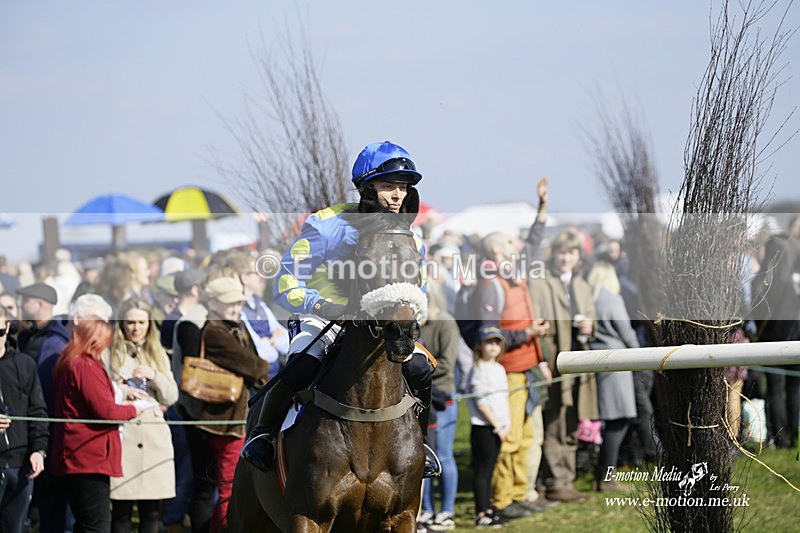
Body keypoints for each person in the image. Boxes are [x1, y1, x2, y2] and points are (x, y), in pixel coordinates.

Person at [240, 140, 441, 478]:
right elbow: (285, 283)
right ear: (366, 187)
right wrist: (323, 305)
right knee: (304, 364)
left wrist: (409, 315)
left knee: (420, 368)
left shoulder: (411, 236)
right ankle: (263, 435)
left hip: (382, 322)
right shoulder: (326, 225)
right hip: (322, 317)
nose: (397, 195)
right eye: (388, 186)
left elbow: (418, 290)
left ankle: (421, 442)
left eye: (403, 187)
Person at [173, 277, 268, 533]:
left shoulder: (233, 327)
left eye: (239, 302)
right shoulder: (215, 331)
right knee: (227, 489)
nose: (236, 307)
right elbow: (256, 366)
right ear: (213, 302)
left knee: (219, 488)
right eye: (230, 302)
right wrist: (260, 369)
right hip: (225, 424)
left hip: (229, 420)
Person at [50, 317, 146, 533]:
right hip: (87, 457)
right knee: (96, 525)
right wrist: (134, 409)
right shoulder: (85, 366)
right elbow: (106, 412)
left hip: (77, 455)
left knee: (85, 523)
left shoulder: (70, 362)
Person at [477, 231, 548, 519]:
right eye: (509, 241)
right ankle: (503, 499)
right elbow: (489, 334)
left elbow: (531, 247)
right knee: (510, 437)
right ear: (496, 250)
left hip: (527, 368)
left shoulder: (513, 278)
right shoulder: (492, 284)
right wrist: (526, 333)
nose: (515, 245)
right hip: (509, 370)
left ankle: (520, 493)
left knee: (526, 436)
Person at [529, 230, 597, 503]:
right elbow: (537, 326)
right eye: (562, 252)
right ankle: (556, 481)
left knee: (571, 419)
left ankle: (564, 478)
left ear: (578, 256)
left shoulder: (580, 283)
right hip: (554, 363)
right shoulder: (540, 282)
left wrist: (590, 326)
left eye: (571, 252)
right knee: (555, 420)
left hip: (579, 363)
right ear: (553, 254)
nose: (566, 258)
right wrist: (542, 362)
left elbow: (591, 320)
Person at [107, 298, 179, 533]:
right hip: (123, 439)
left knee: (152, 513)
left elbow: (171, 396)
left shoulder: (158, 353)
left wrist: (154, 375)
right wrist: (123, 390)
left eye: (141, 322)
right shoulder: (109, 353)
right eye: (130, 322)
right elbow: (102, 391)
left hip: (154, 441)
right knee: (121, 512)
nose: (136, 328)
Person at [586, 261, 638, 492]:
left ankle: (602, 474)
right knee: (618, 420)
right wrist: (639, 354)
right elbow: (625, 329)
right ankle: (607, 477)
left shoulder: (589, 297)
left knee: (611, 420)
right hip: (616, 361)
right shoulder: (610, 298)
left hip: (595, 359)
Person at [0, 306, 49, 533]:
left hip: (20, 465)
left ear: (8, 328)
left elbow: (38, 411)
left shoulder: (24, 364)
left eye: (0, 332)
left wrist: (39, 450)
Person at [418, 282, 461, 529]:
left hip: (442, 396)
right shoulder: (412, 324)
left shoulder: (446, 322)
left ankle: (447, 511)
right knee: (420, 457)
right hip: (419, 396)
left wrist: (415, 367)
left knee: (443, 455)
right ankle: (426, 510)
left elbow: (446, 363)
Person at [467, 325, 512, 529]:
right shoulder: (478, 370)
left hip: (500, 427)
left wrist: (506, 424)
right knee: (483, 471)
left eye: (497, 342)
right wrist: (497, 425)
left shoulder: (499, 369)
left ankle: (489, 510)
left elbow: (504, 399)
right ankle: (482, 513)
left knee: (491, 470)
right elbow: (481, 403)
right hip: (484, 427)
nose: (493, 346)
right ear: (479, 345)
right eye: (489, 342)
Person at [16, 283, 58, 361]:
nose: (21, 305)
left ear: (39, 304)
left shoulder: (54, 336)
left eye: (26, 301)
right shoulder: (26, 334)